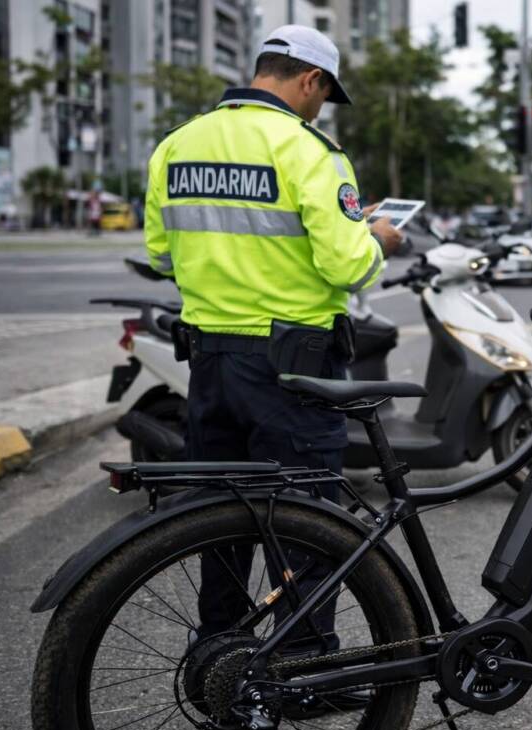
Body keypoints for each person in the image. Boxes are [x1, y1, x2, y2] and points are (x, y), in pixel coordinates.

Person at [144, 24, 405, 653]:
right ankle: (302, 667)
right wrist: (379, 241)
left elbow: (160, 255)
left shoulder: (177, 145)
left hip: (208, 363)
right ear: (310, 80)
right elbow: (347, 267)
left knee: (219, 522)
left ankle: (220, 654)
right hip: (294, 370)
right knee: (310, 524)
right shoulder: (309, 151)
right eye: (323, 94)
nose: (321, 107)